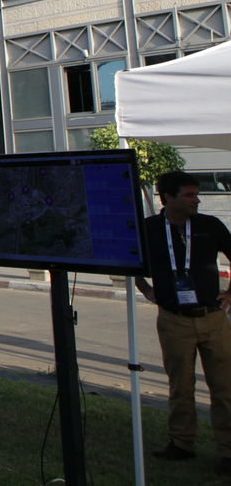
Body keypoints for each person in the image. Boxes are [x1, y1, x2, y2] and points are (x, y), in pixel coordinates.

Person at [134, 171, 231, 476]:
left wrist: (230, 293)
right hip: (173, 319)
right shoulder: (149, 229)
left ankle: (228, 450)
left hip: (212, 317)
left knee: (224, 386)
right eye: (189, 195)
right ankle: (181, 443)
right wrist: (145, 288)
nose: (196, 200)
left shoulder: (209, 226)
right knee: (180, 385)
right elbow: (131, 261)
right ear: (167, 198)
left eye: (196, 194)